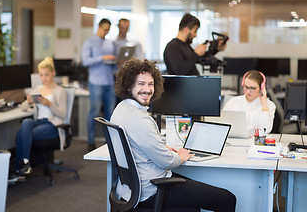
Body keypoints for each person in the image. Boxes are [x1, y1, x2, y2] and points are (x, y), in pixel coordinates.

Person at [111, 58, 236, 211]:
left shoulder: (121, 109)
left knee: (194, 204)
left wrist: (163, 147)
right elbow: (166, 162)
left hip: (130, 189)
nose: (147, 89)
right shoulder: (140, 120)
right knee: (227, 199)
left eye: (150, 84)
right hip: (152, 189)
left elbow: (139, 144)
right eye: (141, 84)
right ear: (129, 86)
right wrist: (181, 156)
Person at [15, 57, 67, 175]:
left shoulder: (60, 91)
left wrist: (49, 104)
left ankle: (21, 166)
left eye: (46, 75)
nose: (44, 78)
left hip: (52, 125)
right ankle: (25, 162)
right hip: (38, 122)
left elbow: (63, 114)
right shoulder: (38, 89)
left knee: (21, 134)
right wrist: (28, 101)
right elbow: (22, 108)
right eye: (41, 75)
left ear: (53, 73)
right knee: (26, 123)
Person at [81, 18, 117, 151]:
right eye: (105, 30)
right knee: (94, 112)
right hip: (96, 82)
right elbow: (85, 61)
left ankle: (110, 142)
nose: (106, 32)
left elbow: (113, 66)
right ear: (99, 27)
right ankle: (91, 141)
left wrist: (116, 63)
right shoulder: (89, 42)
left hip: (109, 82)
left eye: (108, 30)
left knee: (110, 114)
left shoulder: (110, 43)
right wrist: (103, 58)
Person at [223, 70, 276, 135]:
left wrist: (264, 106)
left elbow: (266, 130)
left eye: (252, 88)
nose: (248, 91)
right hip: (234, 140)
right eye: (246, 87)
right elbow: (223, 126)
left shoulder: (269, 105)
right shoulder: (232, 102)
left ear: (261, 88)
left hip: (255, 142)